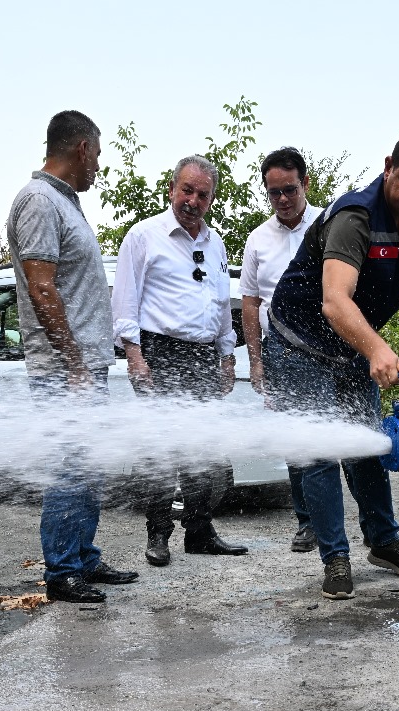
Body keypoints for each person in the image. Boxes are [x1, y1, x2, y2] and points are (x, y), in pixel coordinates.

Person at [267, 126, 399, 600]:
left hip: (349, 345)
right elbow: (334, 300)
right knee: (322, 450)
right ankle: (336, 557)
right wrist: (377, 349)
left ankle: (384, 542)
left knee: (368, 441)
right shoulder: (355, 216)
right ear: (389, 166)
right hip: (297, 343)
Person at [7, 110, 138, 604]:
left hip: (83, 367)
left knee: (87, 464)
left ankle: (83, 557)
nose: (99, 166)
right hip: (65, 371)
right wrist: (75, 363)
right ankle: (62, 572)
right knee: (68, 466)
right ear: (82, 147)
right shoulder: (39, 201)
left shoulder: (64, 202)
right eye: (99, 155)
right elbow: (42, 290)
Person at [112, 154, 247, 567]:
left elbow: (221, 302)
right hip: (160, 353)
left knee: (202, 448)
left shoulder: (216, 242)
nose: (192, 200)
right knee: (161, 449)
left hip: (204, 355)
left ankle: (200, 533)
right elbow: (125, 302)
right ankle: (158, 536)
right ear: (171, 189)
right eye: (186, 190)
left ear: (211, 200)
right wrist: (135, 356)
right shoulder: (144, 236)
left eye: (202, 195)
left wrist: (226, 355)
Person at [242, 147, 323, 553]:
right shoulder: (257, 239)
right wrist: (256, 361)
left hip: (332, 349)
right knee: (296, 439)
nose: (282, 200)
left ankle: (368, 525)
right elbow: (251, 303)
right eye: (273, 193)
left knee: (347, 434)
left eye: (289, 190)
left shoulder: (330, 225)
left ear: (305, 183)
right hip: (282, 353)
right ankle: (308, 522)